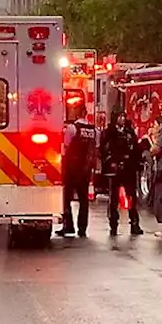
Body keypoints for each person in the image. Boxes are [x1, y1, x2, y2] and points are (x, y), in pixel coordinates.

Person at [100, 111, 144, 236]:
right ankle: (113, 225)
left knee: (131, 197)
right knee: (113, 198)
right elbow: (103, 149)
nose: (122, 119)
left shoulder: (130, 132)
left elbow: (136, 148)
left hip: (129, 168)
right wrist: (109, 162)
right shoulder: (109, 132)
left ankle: (134, 224)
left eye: (124, 116)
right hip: (114, 169)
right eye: (120, 117)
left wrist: (137, 161)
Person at [60, 102, 97, 237]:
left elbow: (66, 146)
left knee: (66, 198)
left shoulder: (72, 128)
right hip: (85, 170)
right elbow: (95, 148)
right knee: (83, 199)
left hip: (72, 168)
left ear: (78, 112)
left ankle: (68, 226)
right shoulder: (94, 130)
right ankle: (82, 228)